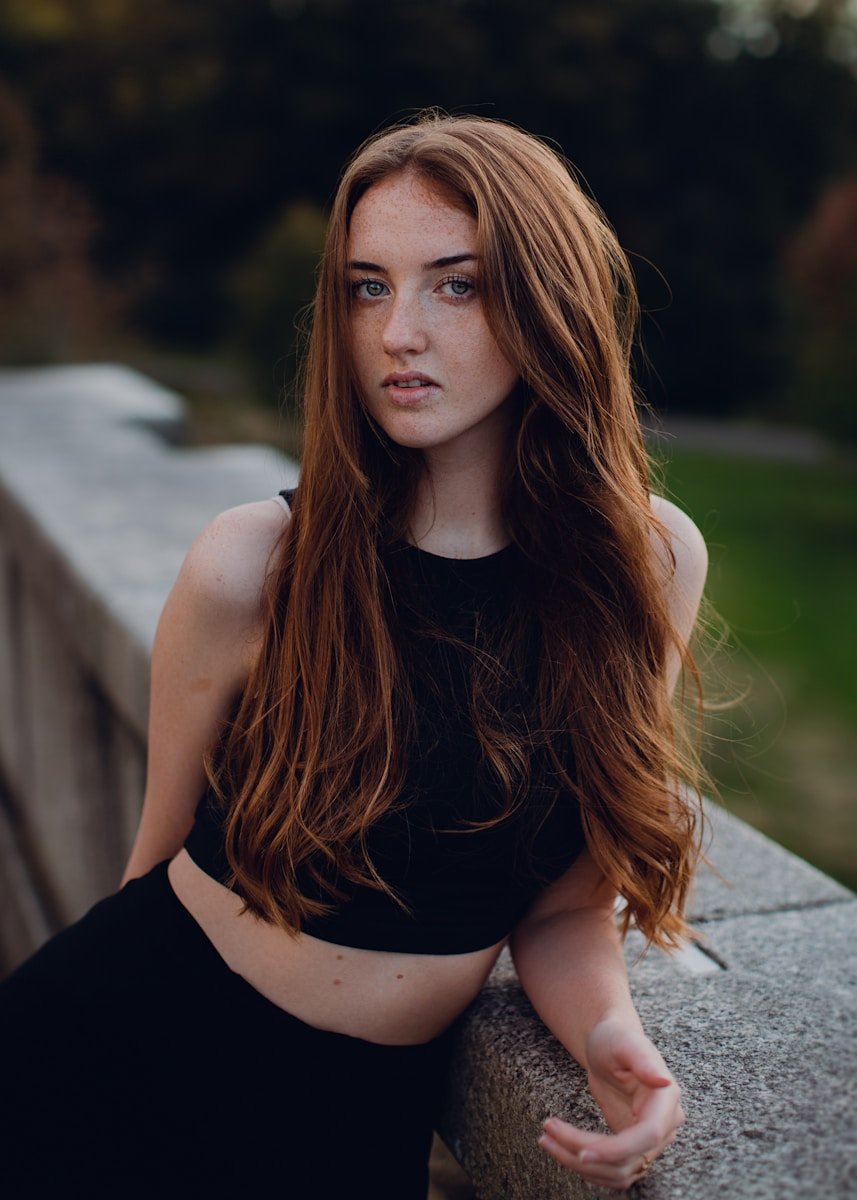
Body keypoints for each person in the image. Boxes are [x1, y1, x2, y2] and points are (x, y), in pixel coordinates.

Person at [0, 111, 707, 1198]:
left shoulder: (645, 564)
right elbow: (154, 865)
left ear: (548, 299)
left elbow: (567, 906)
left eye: (455, 285)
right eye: (367, 287)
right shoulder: (255, 563)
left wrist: (611, 1036)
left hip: (354, 1124)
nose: (396, 333)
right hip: (113, 1068)